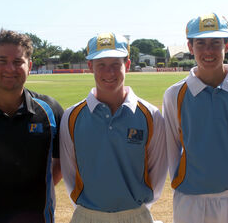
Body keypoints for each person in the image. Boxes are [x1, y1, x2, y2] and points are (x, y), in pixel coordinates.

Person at [163, 13, 228, 223]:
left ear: (226, 45)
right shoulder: (175, 95)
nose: (208, 51)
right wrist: (186, 188)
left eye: (215, 43)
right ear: (190, 47)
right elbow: (171, 151)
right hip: (192, 203)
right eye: (200, 43)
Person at [60, 32, 167, 223]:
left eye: (115, 65)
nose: (109, 73)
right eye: (101, 65)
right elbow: (69, 173)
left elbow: (157, 175)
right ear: (90, 66)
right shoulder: (72, 116)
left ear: (126, 65)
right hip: (87, 216)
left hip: (136, 215)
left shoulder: (150, 115)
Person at [0, 29, 63, 223]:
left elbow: (62, 161)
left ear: (29, 66)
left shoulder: (50, 110)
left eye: (18, 62)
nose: (10, 69)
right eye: (2, 61)